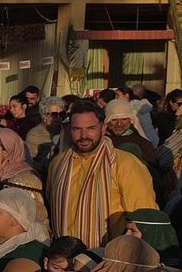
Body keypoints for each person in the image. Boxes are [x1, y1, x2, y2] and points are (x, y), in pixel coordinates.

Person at [47, 99, 158, 246]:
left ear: (103, 128)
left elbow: (143, 218)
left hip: (107, 257)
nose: (83, 135)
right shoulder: (58, 164)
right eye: (77, 129)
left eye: (91, 128)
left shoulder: (125, 164)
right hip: (64, 260)